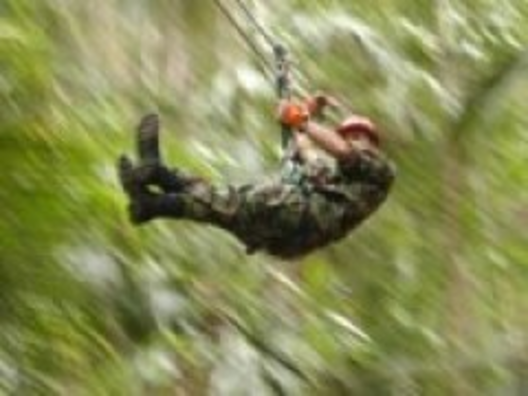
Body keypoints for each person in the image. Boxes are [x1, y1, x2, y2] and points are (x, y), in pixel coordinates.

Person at [117, 99, 395, 259]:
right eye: (349, 135)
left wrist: (303, 119)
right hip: (286, 235)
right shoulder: (334, 176)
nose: (354, 141)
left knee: (233, 202)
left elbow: (342, 151)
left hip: (303, 220)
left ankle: (154, 189)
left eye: (360, 137)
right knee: (221, 203)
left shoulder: (380, 173)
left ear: (373, 145)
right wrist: (308, 111)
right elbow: (307, 149)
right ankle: (153, 192)